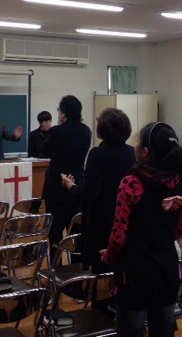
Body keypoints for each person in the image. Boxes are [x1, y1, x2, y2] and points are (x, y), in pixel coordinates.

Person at [101, 122, 182, 337]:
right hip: (167, 268)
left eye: (138, 142)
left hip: (135, 272)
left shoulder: (131, 182)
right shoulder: (178, 181)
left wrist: (110, 257)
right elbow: (177, 231)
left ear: (146, 152)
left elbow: (119, 234)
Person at [61, 108, 136, 274]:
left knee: (101, 270)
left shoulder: (97, 154)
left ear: (104, 129)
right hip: (126, 218)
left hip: (102, 222)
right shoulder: (132, 152)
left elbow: (90, 193)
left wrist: (71, 186)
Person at [42, 95, 92, 247]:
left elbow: (44, 151)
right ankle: (76, 261)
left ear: (63, 113)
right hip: (77, 184)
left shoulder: (57, 131)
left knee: (55, 232)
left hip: (56, 186)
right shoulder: (87, 131)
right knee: (76, 232)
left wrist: (51, 132)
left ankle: (56, 261)